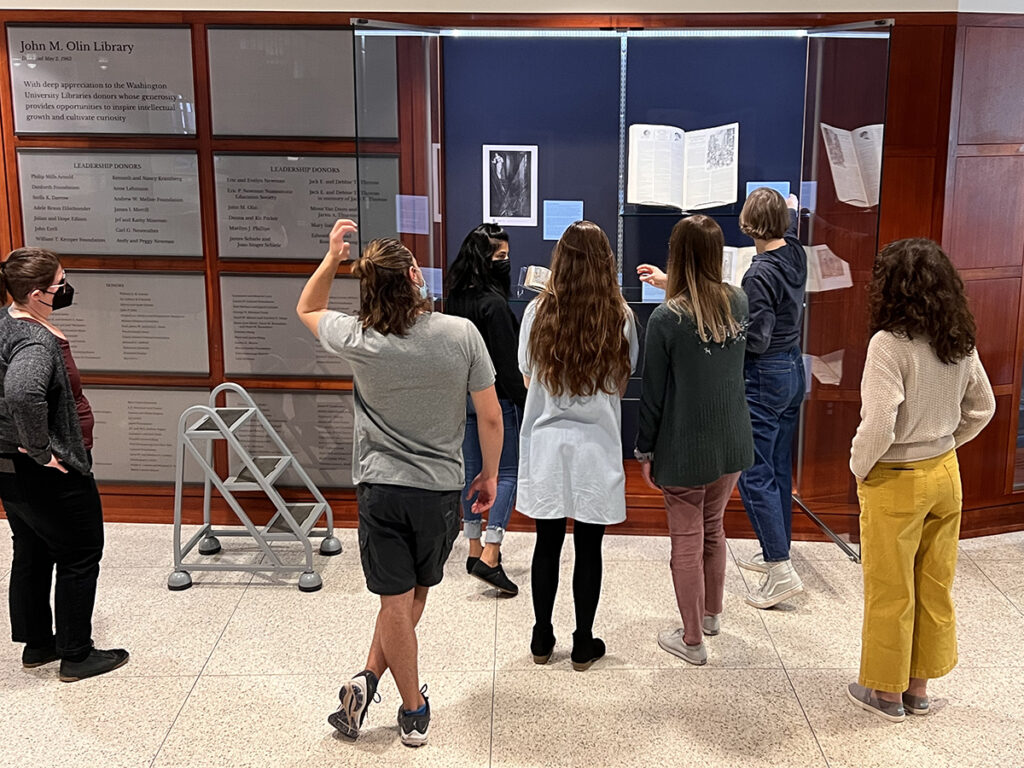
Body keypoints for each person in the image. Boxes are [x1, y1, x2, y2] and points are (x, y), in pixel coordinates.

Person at [297, 220, 503, 748]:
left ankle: (367, 680)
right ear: (414, 275)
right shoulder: (460, 335)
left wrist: (332, 257)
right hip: (437, 491)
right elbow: (491, 418)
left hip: (380, 489)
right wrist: (489, 475)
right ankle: (413, 712)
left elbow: (306, 308)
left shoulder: (360, 337)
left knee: (394, 601)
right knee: (412, 597)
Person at [846, 238, 994, 722]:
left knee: (891, 588)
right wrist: (946, 441)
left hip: (896, 479)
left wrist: (859, 466)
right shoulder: (958, 339)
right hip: (946, 474)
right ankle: (918, 689)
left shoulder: (888, 345)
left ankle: (885, 694)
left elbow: (880, 422)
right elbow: (983, 408)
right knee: (934, 584)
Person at [0, 247, 129, 682]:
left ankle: (39, 644)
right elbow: (22, 393)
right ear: (37, 294)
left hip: (9, 469)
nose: (66, 288)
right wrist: (40, 449)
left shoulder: (5, 323)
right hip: (46, 471)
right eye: (60, 283)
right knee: (80, 551)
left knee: (33, 547)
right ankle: (76, 654)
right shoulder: (36, 341)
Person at [518, 220, 638, 671]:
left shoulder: (536, 313)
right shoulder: (620, 316)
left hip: (548, 441)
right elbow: (622, 381)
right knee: (590, 547)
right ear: (606, 262)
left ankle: (541, 637)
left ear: (559, 260)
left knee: (546, 543)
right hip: (596, 444)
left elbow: (527, 374)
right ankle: (583, 642)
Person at [635, 215, 754, 666]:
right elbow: (704, 300)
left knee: (685, 540)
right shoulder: (738, 302)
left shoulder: (667, 318)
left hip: (685, 447)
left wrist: (645, 449)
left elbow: (653, 392)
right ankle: (711, 616)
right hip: (732, 442)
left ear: (676, 255)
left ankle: (691, 642)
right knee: (713, 529)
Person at [735, 189, 806, 609]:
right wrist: (791, 207)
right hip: (793, 369)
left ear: (748, 224)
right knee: (778, 465)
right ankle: (776, 548)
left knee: (754, 470)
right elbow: (791, 222)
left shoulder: (759, 273)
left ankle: (780, 568)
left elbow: (756, 339)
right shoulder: (794, 252)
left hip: (764, 376)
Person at [446, 223, 525, 595]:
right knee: (505, 473)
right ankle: (491, 554)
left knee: (472, 473)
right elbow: (509, 370)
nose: (506, 264)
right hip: (495, 400)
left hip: (462, 400)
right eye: (501, 257)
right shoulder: (495, 306)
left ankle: (473, 547)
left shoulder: (456, 298)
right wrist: (526, 404)